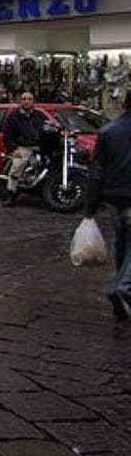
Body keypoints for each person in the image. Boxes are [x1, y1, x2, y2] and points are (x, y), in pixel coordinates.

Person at [84, 89, 131, 319]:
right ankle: (121, 287)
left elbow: (97, 171)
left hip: (115, 197)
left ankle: (120, 305)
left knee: (123, 244)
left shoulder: (108, 131)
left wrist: (90, 207)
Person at [1, 91, 42, 200]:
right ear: (20, 101)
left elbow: (46, 128)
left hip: (38, 147)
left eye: (29, 99)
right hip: (22, 146)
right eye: (24, 99)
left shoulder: (39, 115)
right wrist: (14, 149)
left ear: (33, 101)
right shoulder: (13, 116)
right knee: (18, 166)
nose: (27, 102)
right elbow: (7, 135)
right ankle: (11, 193)